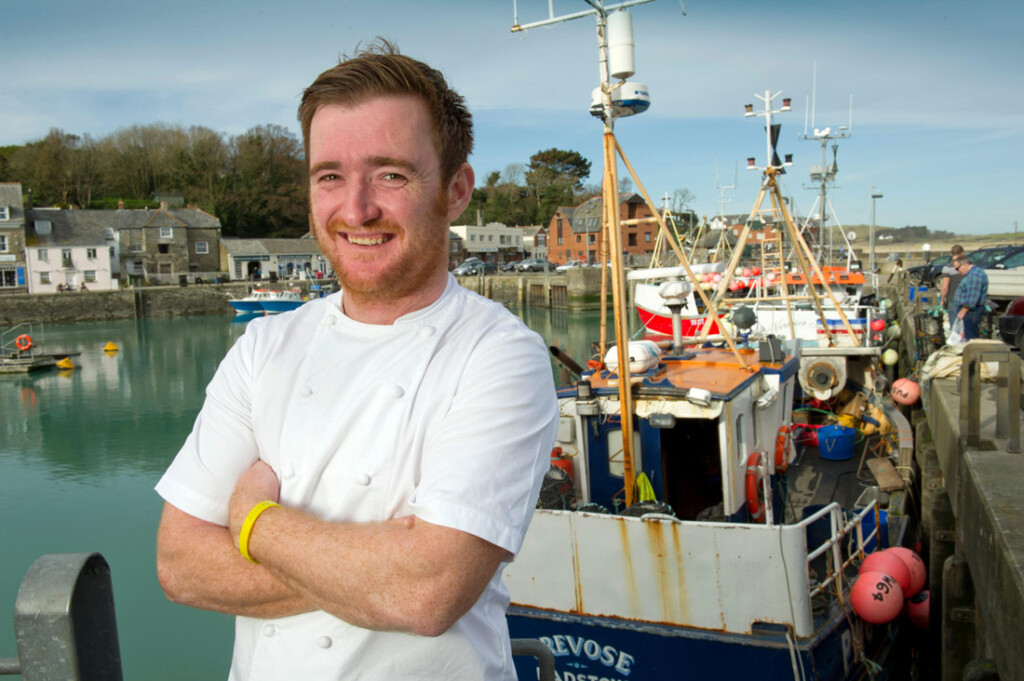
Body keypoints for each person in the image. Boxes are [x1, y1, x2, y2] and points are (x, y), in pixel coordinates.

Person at [155, 41, 559, 681]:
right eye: (330, 176)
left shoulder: (501, 356)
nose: (357, 208)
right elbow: (180, 564)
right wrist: (378, 572)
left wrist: (252, 521)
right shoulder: (263, 348)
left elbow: (426, 592)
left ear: (455, 191)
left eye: (391, 174)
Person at [951, 255, 989, 340]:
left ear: (964, 265)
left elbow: (973, 295)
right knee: (966, 336)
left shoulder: (974, 275)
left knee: (970, 337)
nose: (957, 271)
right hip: (969, 311)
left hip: (971, 312)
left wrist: (964, 311)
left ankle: (973, 352)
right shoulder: (973, 274)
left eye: (957, 268)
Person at [940, 244, 965, 321]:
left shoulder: (947, 268)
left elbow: (945, 287)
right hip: (966, 300)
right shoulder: (967, 266)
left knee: (954, 326)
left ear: (951, 254)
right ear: (962, 253)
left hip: (953, 299)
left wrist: (942, 300)